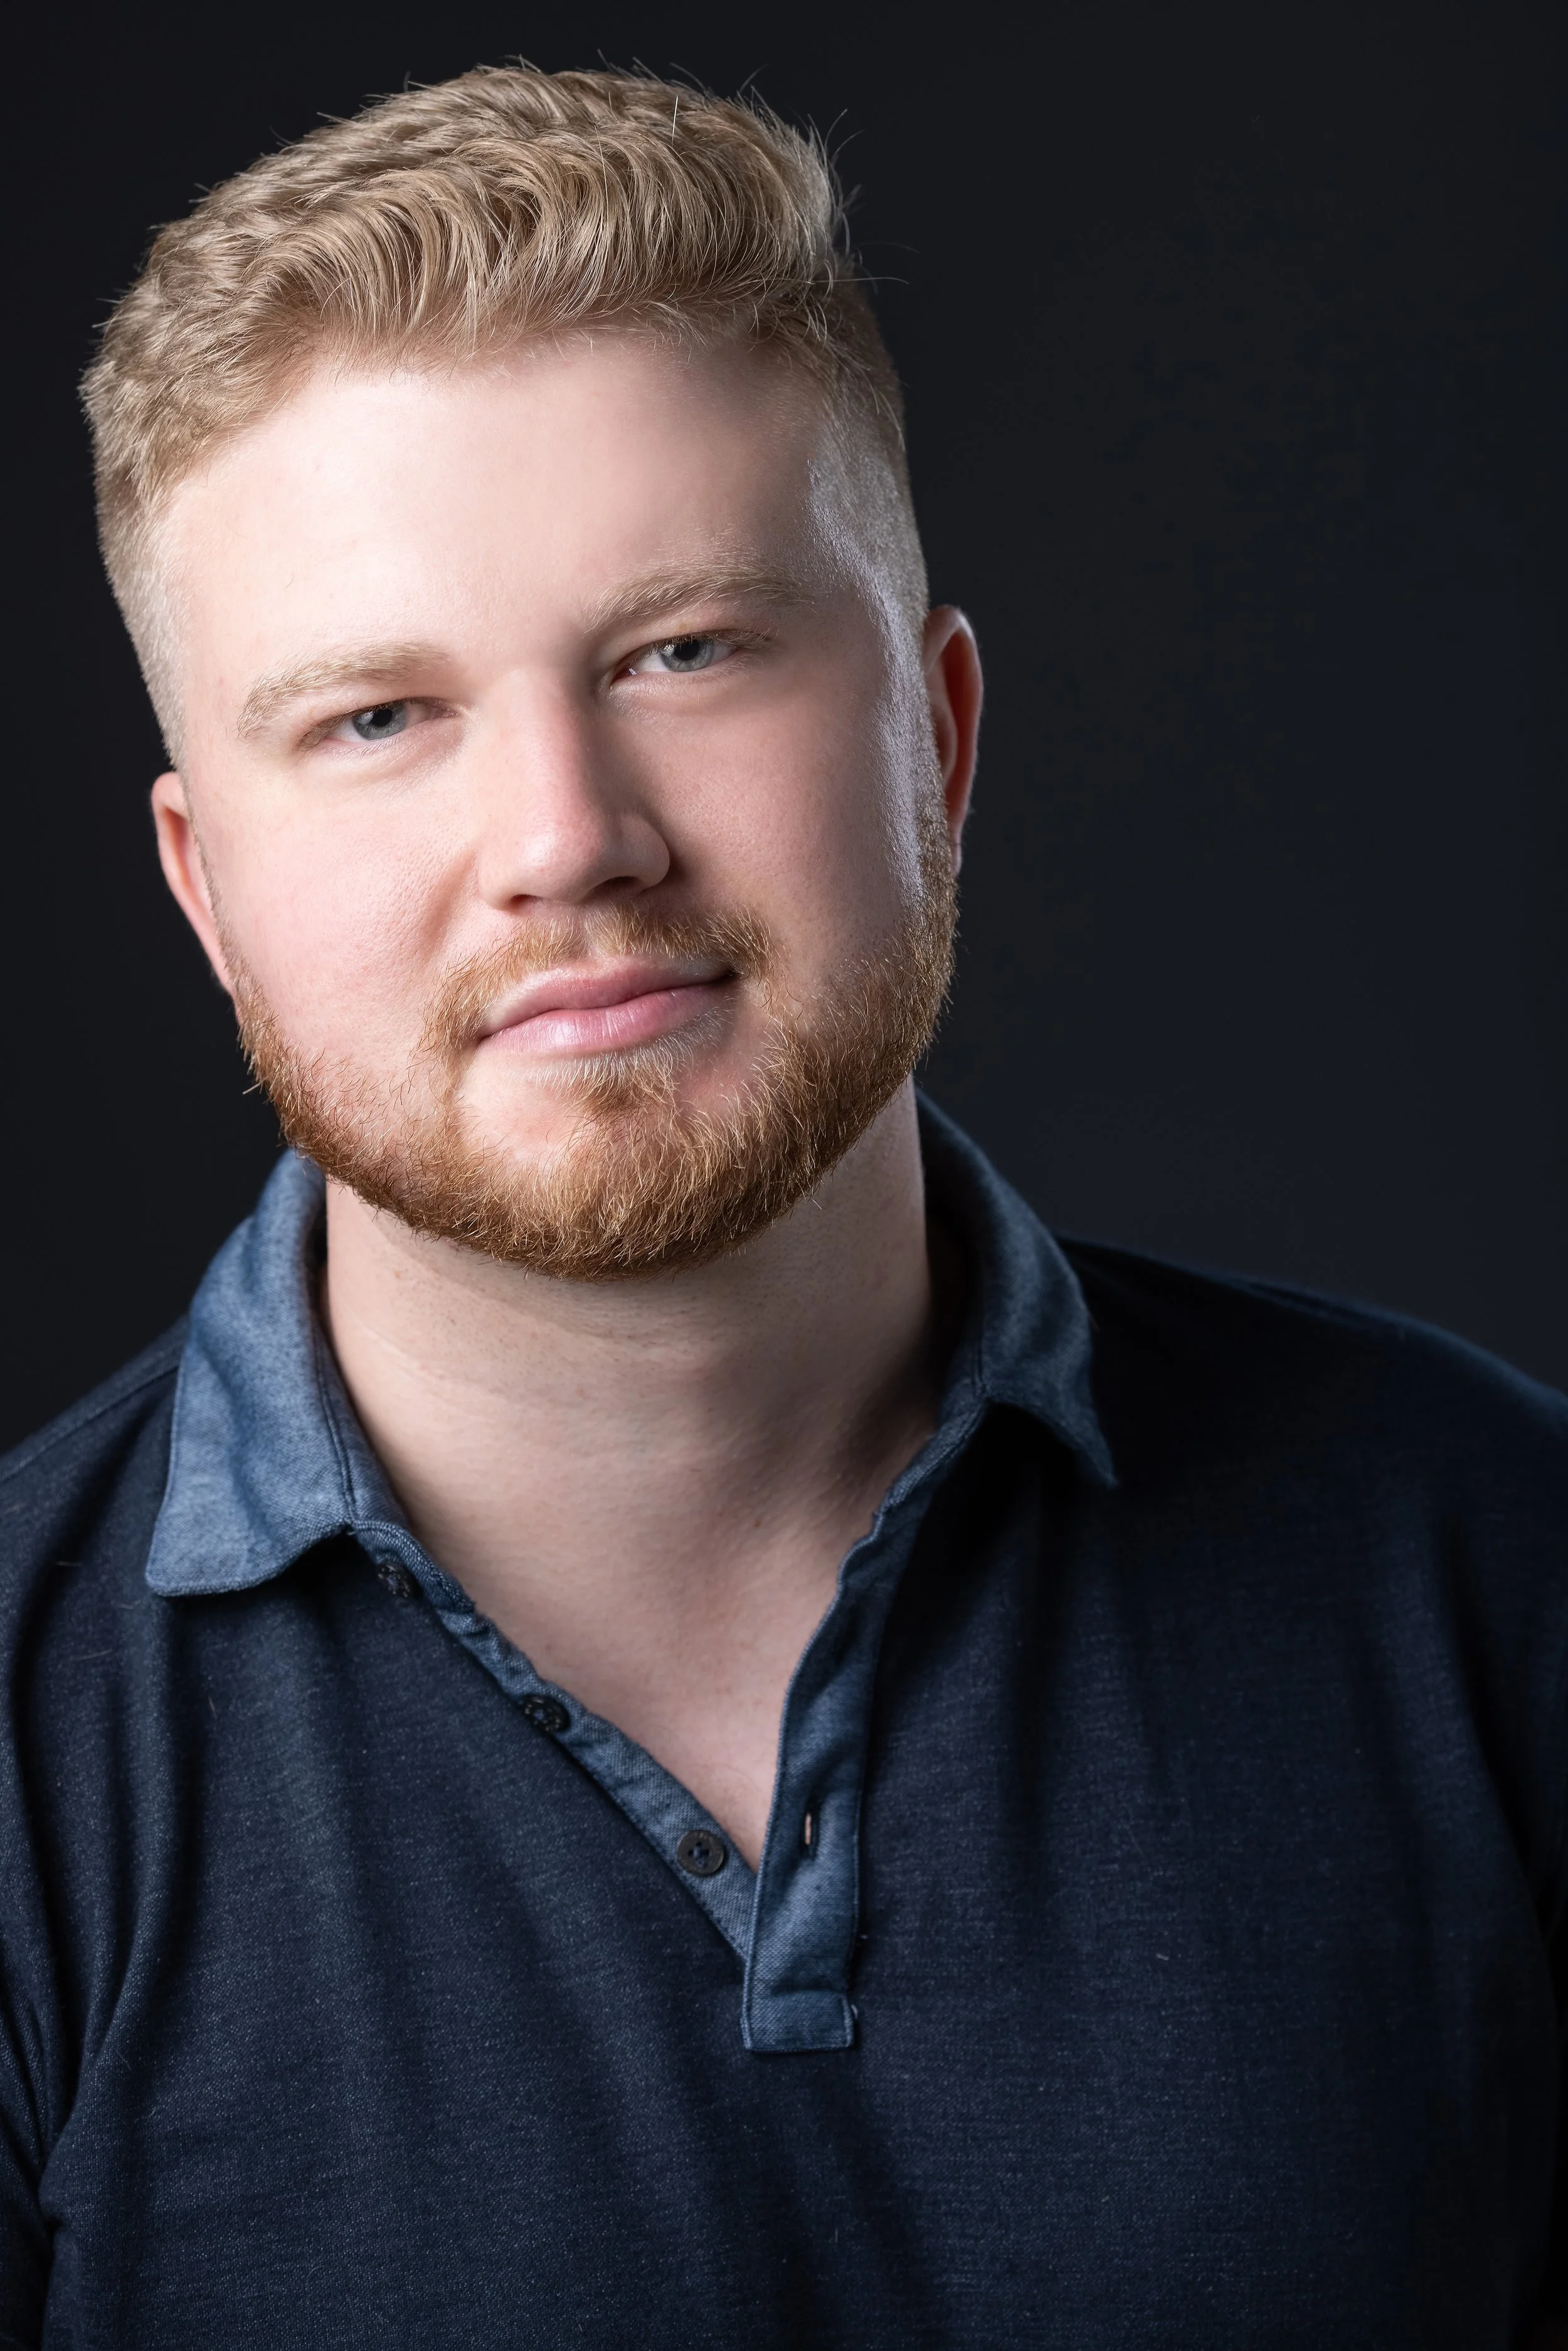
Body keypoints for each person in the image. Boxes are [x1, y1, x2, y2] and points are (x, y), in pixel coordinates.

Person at [0, 62, 1562, 2349]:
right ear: (202, 884)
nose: (566, 832)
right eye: (373, 719)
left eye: (686, 650)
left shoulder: (1499, 1577)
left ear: (935, 737)